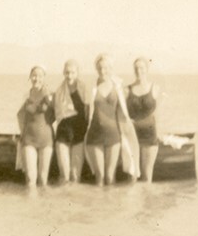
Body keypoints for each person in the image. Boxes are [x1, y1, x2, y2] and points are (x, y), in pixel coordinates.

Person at [85, 54, 137, 185]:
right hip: (94, 136)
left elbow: (124, 111)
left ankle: (111, 205)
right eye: (100, 68)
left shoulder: (118, 87)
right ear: (96, 69)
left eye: (106, 68)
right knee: (100, 177)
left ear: (111, 68)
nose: (103, 71)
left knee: (109, 176)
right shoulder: (92, 88)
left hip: (114, 137)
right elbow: (86, 113)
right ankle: (97, 205)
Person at [17, 66, 55, 187]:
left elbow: (58, 114)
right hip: (29, 140)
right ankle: (30, 205)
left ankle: (42, 206)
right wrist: (22, 132)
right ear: (30, 77)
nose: (36, 78)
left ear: (44, 78)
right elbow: (19, 115)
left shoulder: (50, 94)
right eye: (34, 75)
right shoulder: (26, 95)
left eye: (39, 76)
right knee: (30, 179)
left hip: (46, 140)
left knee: (43, 179)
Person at [126, 56, 161, 183]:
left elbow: (158, 114)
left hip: (149, 135)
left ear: (147, 69)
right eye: (136, 68)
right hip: (132, 136)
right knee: (132, 176)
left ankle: (146, 203)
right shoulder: (127, 90)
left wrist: (161, 134)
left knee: (147, 176)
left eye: (141, 68)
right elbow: (122, 115)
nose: (138, 71)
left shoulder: (155, 88)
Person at [54, 60, 88, 183]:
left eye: (73, 72)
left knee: (75, 176)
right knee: (64, 175)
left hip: (79, 131)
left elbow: (87, 112)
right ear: (63, 73)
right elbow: (57, 114)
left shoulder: (84, 88)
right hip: (63, 132)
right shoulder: (59, 91)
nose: (69, 76)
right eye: (67, 72)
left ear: (77, 73)